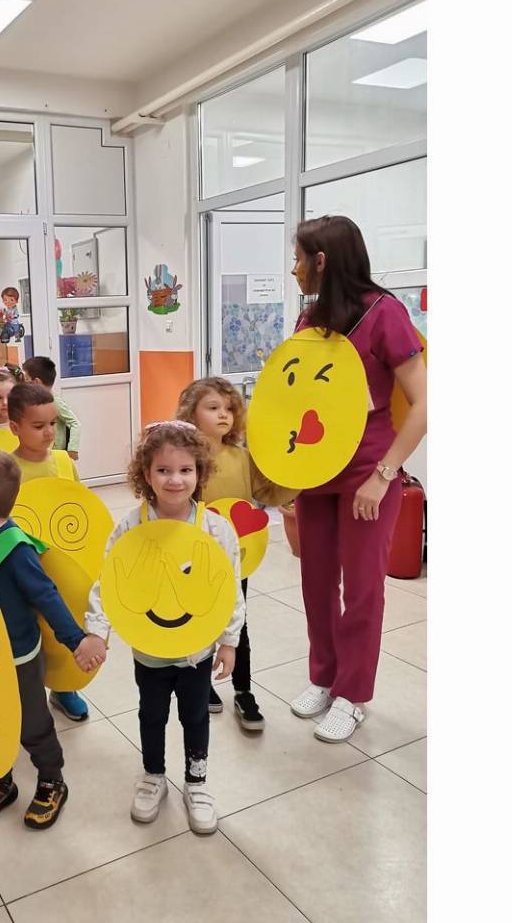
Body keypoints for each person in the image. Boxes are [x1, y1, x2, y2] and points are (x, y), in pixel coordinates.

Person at [290, 215, 426, 743]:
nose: (294, 268)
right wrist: (285, 474)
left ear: (322, 261)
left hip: (370, 471)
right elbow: (296, 397)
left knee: (363, 588)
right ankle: (324, 678)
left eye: (299, 258)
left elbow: (423, 405)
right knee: (316, 581)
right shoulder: (309, 319)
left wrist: (383, 476)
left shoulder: (386, 314)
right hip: (315, 471)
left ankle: (352, 695)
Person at [86, 421, 244, 833]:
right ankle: (153, 775)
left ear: (200, 472)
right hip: (150, 651)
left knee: (196, 717)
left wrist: (230, 641)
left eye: (186, 470)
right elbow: (109, 582)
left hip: (197, 652)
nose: (175, 480)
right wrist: (97, 631)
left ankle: (197, 781)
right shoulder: (130, 527)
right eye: (163, 470)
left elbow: (229, 588)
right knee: (151, 715)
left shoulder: (215, 529)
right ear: (146, 474)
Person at [0, 448, 106, 830]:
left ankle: (51, 779)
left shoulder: (17, 550)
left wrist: (77, 640)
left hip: (18, 658)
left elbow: (48, 597)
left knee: (32, 723)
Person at [176, 377, 298, 729]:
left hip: (236, 557)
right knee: (198, 622)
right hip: (193, 558)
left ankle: (243, 690)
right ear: (191, 413)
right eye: (213, 408)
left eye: (229, 409)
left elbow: (268, 492)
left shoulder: (241, 456)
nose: (223, 415)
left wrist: (298, 478)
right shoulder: (184, 459)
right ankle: (202, 683)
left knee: (238, 623)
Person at [7, 382, 93, 724]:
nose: (48, 433)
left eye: (53, 424)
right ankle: (25, 694)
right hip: (22, 566)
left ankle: (63, 686)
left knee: (63, 624)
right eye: (38, 425)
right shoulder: (6, 469)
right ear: (15, 427)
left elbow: (81, 509)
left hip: (62, 563)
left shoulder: (62, 462)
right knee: (28, 632)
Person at [23, 356, 81, 460]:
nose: (25, 384)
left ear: (36, 382)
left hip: (55, 453)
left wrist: (72, 449)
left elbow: (75, 423)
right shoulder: (34, 401)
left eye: (27, 380)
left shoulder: (55, 401)